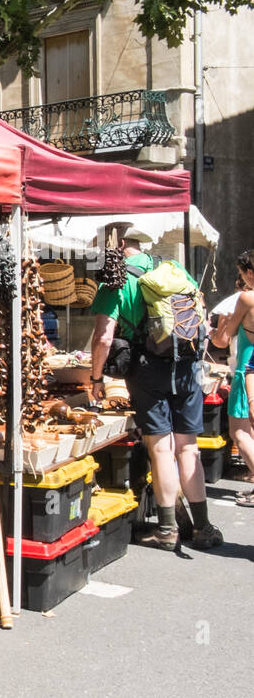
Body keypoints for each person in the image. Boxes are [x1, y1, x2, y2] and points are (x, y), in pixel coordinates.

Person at [88, 230, 219, 549]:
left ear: (116, 245)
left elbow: (104, 338)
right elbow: (199, 313)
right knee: (188, 447)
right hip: (187, 366)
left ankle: (167, 529)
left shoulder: (115, 282)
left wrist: (95, 379)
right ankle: (203, 527)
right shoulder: (173, 267)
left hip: (148, 370)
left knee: (161, 447)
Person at [212, 250, 254, 502]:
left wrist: (221, 326)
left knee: (239, 431)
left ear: (249, 272)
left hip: (248, 368)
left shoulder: (247, 299)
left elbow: (222, 340)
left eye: (241, 274)